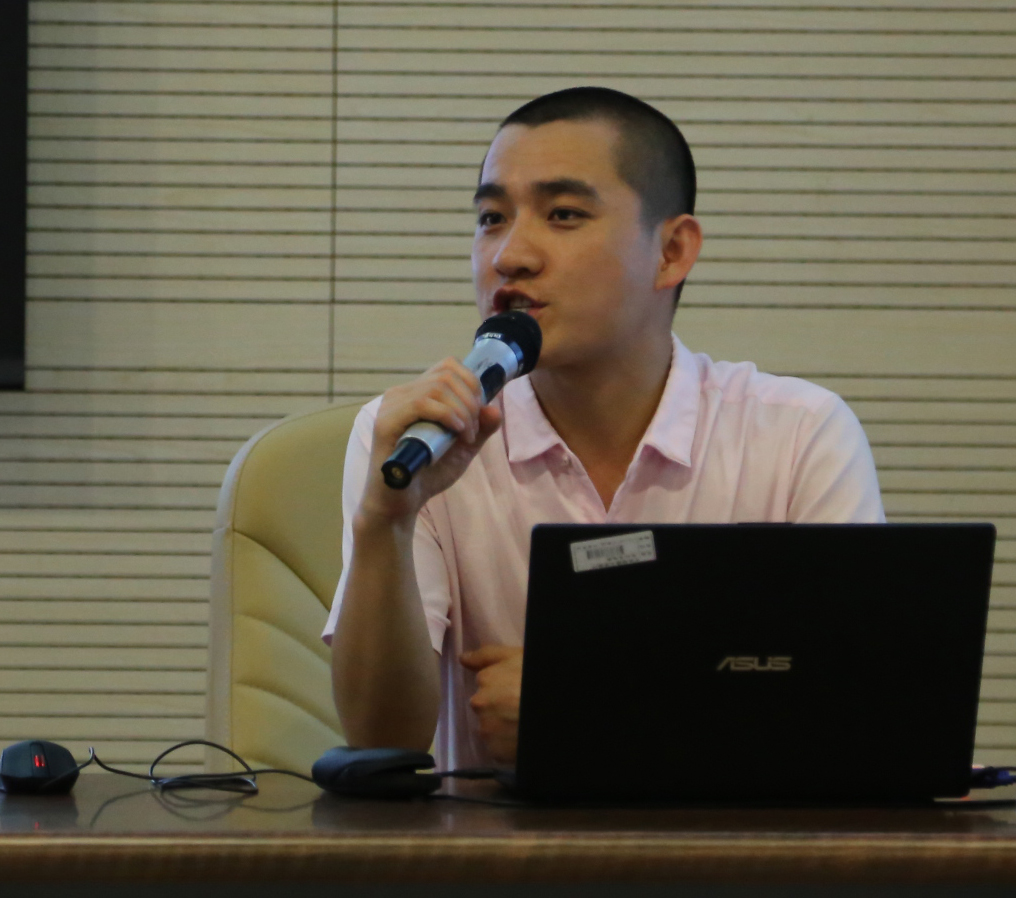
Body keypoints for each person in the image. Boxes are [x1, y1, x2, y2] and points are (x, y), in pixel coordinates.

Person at [322, 87, 885, 770]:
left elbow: (852, 720)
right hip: (488, 840)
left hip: (731, 838)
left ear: (671, 251)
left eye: (563, 214)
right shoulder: (419, 441)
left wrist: (591, 707)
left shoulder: (798, 435)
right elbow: (382, 743)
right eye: (491, 218)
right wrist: (385, 521)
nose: (509, 255)